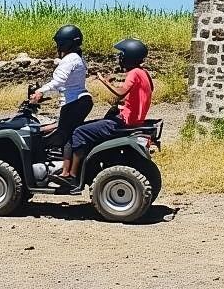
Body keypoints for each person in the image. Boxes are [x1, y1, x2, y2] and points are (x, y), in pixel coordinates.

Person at [59, 38, 153, 184]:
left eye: (122, 54)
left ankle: (70, 175)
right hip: (132, 120)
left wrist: (104, 81)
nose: (120, 58)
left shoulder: (134, 73)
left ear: (129, 56)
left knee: (78, 132)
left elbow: (120, 92)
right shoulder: (145, 74)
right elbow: (138, 95)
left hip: (123, 122)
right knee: (91, 126)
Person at [30, 24, 93, 164]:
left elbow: (58, 81)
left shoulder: (70, 59)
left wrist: (40, 91)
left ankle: (66, 172)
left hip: (73, 103)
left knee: (65, 135)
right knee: (59, 129)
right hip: (81, 100)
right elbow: (67, 83)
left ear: (66, 44)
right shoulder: (77, 58)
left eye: (59, 43)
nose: (58, 46)